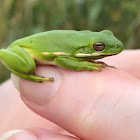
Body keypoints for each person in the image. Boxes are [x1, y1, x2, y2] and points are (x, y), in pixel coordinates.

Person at [0, 50, 140, 140]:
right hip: (23, 52)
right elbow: (59, 60)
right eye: (99, 46)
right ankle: (30, 76)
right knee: (29, 67)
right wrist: (86, 65)